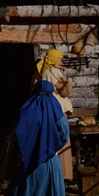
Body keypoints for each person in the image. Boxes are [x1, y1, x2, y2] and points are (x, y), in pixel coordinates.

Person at [36, 48, 74, 180]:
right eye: (59, 58)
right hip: (57, 111)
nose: (61, 61)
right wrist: (65, 77)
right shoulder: (52, 71)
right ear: (53, 59)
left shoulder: (43, 72)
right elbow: (64, 90)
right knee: (61, 141)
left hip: (50, 110)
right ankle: (63, 175)